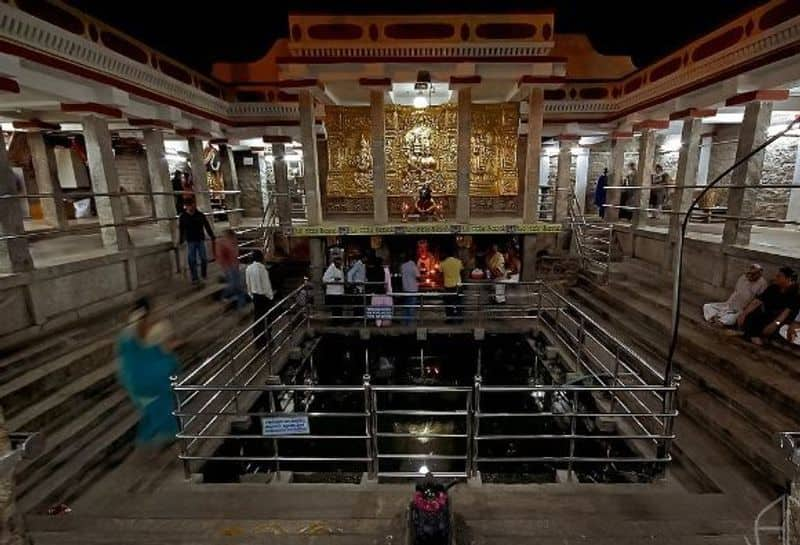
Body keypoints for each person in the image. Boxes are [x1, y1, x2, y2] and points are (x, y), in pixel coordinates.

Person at [116, 297, 179, 447]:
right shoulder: (136, 332)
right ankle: (154, 441)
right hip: (144, 378)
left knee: (158, 407)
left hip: (137, 376)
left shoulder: (130, 333)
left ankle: (155, 440)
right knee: (161, 405)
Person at [737, 267, 800, 345]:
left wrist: (774, 324)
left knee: (774, 329)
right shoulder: (773, 287)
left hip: (780, 319)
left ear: (788, 279)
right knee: (751, 315)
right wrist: (744, 314)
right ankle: (752, 336)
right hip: (767, 314)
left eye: (779, 276)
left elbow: (785, 314)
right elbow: (757, 301)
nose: (776, 278)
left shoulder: (795, 295)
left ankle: (750, 336)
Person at [702, 264, 768, 327]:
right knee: (707, 306)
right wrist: (729, 303)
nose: (750, 275)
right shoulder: (743, 277)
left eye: (753, 274)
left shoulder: (762, 283)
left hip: (741, 309)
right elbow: (736, 291)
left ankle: (720, 321)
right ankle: (713, 318)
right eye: (749, 273)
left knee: (732, 317)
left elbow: (758, 301)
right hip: (730, 304)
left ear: (759, 274)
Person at [179, 199, 215, 285]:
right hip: (190, 240)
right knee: (192, 260)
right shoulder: (183, 217)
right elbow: (181, 229)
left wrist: (212, 235)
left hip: (200, 239)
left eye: (192, 205)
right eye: (189, 205)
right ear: (186, 206)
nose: (191, 207)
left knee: (203, 258)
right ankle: (194, 277)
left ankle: (203, 274)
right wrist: (181, 240)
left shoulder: (200, 215)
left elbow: (207, 225)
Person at [245, 250, 274, 350]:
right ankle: (268, 338)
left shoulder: (248, 269)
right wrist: (270, 296)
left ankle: (258, 341)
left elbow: (248, 285)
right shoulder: (262, 269)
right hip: (264, 297)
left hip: (255, 296)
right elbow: (266, 285)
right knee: (268, 318)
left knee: (257, 318)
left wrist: (252, 295)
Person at [216, 229, 246, 309]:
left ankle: (240, 305)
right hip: (229, 267)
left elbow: (235, 254)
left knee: (238, 287)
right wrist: (225, 267)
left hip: (234, 266)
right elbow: (221, 256)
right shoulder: (222, 243)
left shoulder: (233, 242)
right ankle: (224, 296)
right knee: (234, 285)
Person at [440, 248, 464, 322]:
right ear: (454, 254)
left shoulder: (442, 263)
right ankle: (459, 319)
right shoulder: (459, 262)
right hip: (458, 286)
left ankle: (450, 319)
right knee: (458, 303)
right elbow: (462, 271)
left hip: (447, 287)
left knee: (448, 304)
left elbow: (440, 275)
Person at [400, 252, 421, 326]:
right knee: (412, 306)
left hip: (405, 288)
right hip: (413, 289)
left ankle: (404, 321)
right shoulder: (413, 266)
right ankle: (410, 322)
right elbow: (418, 276)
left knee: (406, 305)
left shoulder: (402, 266)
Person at [346, 251, 366, 320]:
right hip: (357, 286)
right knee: (358, 303)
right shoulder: (357, 264)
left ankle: (360, 318)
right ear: (363, 258)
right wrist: (351, 283)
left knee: (361, 303)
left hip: (362, 287)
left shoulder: (363, 265)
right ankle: (357, 318)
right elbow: (350, 273)